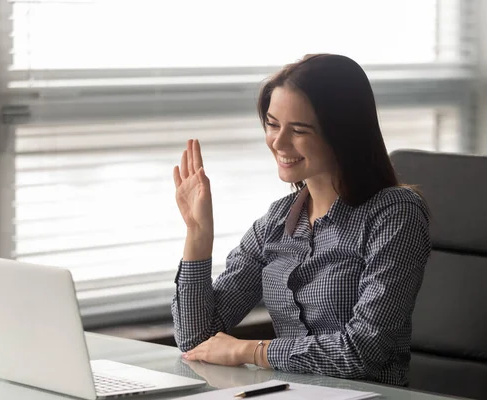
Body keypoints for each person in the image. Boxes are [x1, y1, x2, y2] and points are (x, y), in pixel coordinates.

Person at [171, 53, 431, 387]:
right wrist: (198, 234)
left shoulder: (395, 213)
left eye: (299, 130)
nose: (278, 142)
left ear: (342, 134)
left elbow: (364, 350)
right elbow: (196, 340)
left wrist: (250, 351)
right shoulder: (276, 222)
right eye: (272, 124)